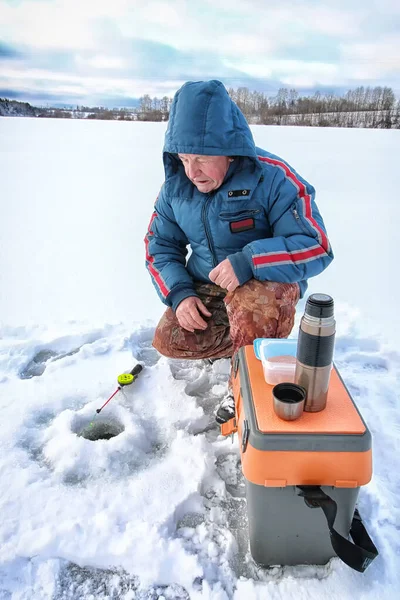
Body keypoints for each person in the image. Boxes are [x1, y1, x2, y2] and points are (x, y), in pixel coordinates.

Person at [145, 80, 333, 424]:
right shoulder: (175, 188)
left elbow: (316, 246)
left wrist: (250, 261)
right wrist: (181, 294)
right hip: (210, 286)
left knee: (254, 303)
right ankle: (241, 344)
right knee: (168, 339)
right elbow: (159, 246)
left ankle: (247, 381)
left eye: (201, 158)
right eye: (184, 158)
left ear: (229, 149)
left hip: (264, 288)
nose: (192, 171)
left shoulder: (273, 178)